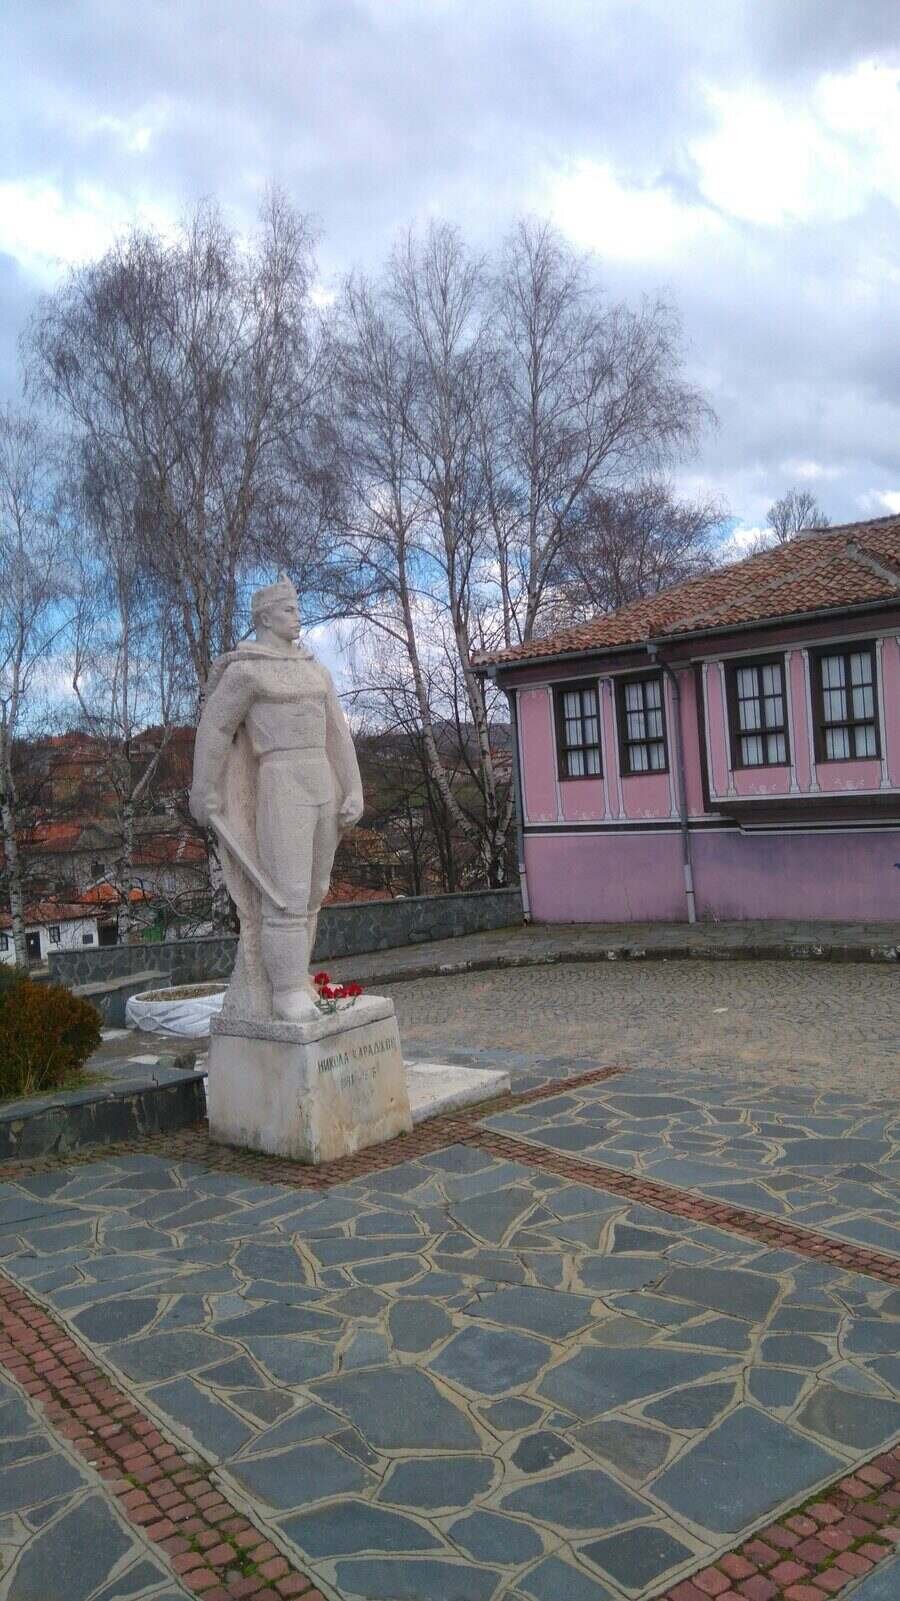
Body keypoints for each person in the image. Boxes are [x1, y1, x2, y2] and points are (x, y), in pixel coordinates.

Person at [190, 576, 363, 1021]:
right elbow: (215, 728)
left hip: (321, 780)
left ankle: (296, 977)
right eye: (289, 610)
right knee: (285, 895)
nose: (298, 617)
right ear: (265, 618)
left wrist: (354, 787)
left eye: (297, 609)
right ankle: (284, 992)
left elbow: (337, 734)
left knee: (314, 893)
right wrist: (204, 788)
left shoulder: (314, 670)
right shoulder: (246, 671)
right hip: (281, 781)